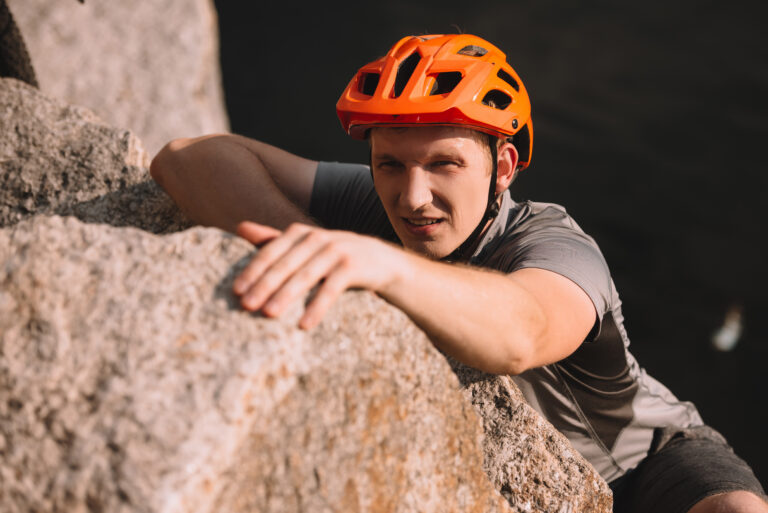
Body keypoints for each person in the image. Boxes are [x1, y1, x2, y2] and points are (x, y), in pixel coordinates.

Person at [149, 34, 767, 513]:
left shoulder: (556, 245)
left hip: (647, 465)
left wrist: (378, 263)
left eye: (444, 163)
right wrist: (309, 247)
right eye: (388, 164)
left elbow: (520, 333)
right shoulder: (378, 199)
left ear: (502, 166)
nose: (412, 197)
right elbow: (189, 158)